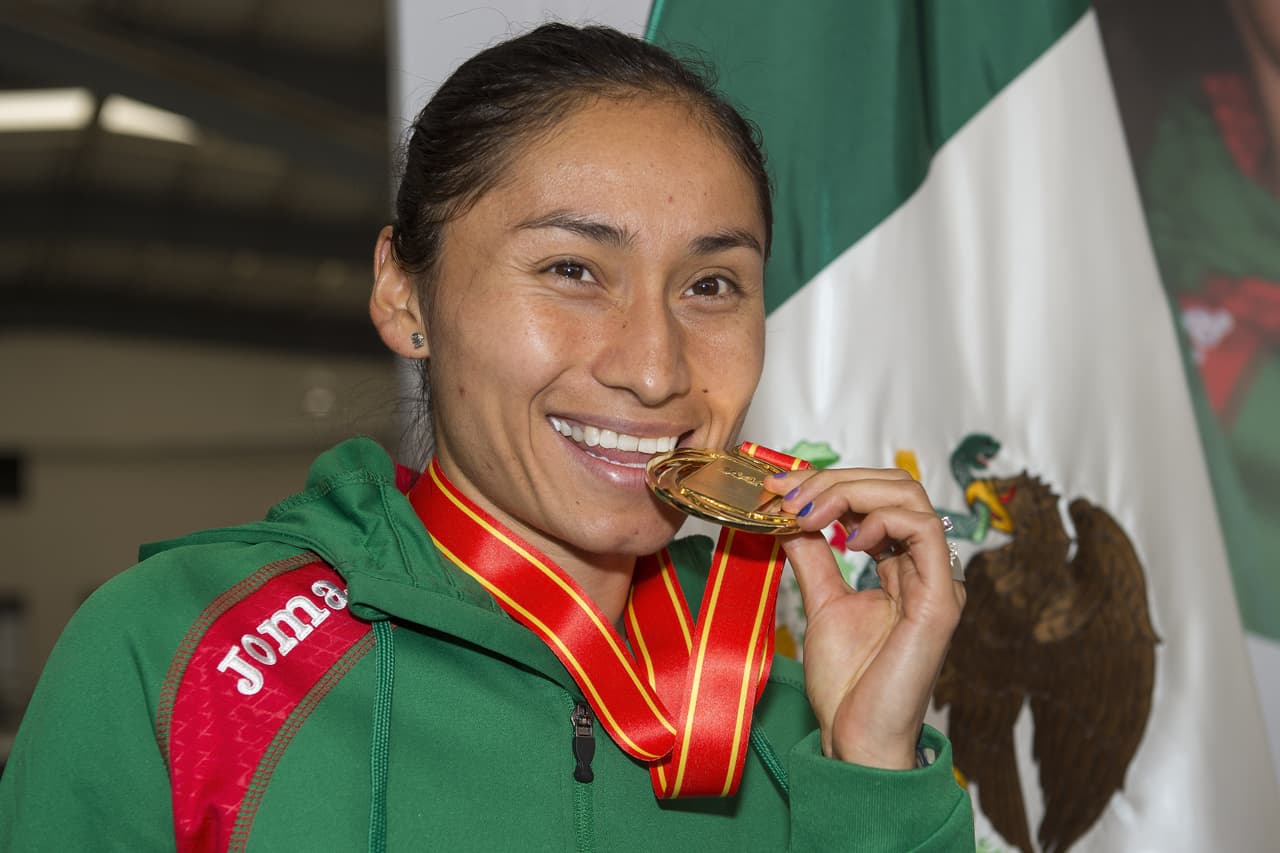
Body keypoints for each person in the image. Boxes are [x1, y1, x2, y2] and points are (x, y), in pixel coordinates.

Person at [0, 24, 972, 852]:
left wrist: (869, 770)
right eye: (571, 268)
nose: (654, 366)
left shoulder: (787, 706)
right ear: (402, 293)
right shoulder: (184, 657)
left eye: (710, 284)